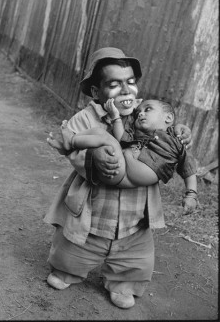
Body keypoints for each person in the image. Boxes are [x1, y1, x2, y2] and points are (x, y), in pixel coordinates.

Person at [44, 47, 195, 309]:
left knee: (135, 252)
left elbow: (165, 127)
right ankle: (69, 270)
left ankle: (124, 282)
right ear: (95, 91)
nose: (126, 91)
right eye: (114, 84)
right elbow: (73, 153)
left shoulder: (140, 111)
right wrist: (92, 157)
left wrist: (181, 130)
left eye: (131, 82)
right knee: (76, 246)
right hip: (96, 202)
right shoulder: (85, 118)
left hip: (135, 208)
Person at [48, 98, 197, 193]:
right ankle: (71, 142)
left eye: (148, 109)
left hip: (124, 176)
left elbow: (188, 168)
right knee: (102, 135)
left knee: (107, 139)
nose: (140, 114)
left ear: (169, 117)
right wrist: (116, 118)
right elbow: (120, 138)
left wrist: (192, 193)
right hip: (118, 169)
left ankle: (71, 143)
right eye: (139, 112)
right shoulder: (138, 134)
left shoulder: (177, 140)